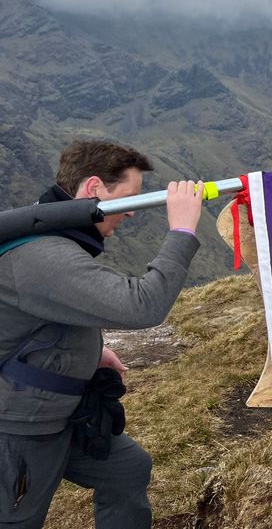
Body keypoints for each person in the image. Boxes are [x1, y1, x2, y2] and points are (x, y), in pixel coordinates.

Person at [0, 140, 204, 528]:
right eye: (127, 198)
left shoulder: (53, 234)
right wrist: (182, 230)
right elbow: (141, 306)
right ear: (94, 189)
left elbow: (47, 311)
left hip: (61, 412)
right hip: (19, 425)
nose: (130, 210)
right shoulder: (44, 256)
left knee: (126, 467)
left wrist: (89, 351)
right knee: (18, 519)